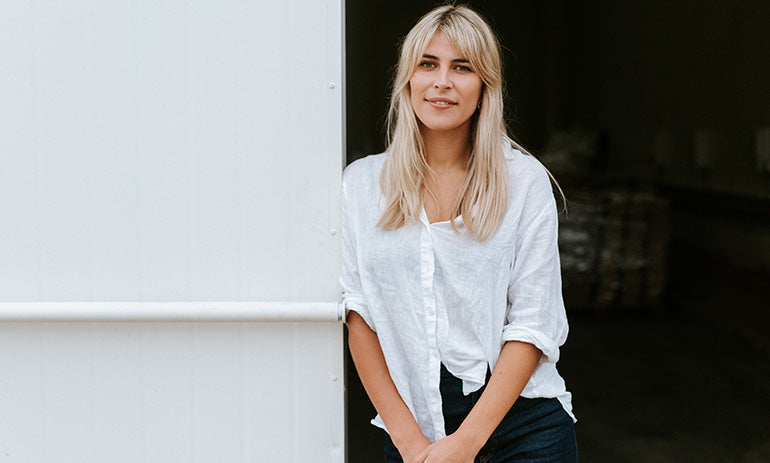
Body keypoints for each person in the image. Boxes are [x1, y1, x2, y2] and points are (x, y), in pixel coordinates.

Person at [341, 4, 578, 463]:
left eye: (462, 67)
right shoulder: (361, 185)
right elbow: (359, 317)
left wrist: (466, 445)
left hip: (524, 430)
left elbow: (533, 322)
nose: (442, 81)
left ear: (485, 84)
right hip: (415, 433)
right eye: (428, 64)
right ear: (407, 77)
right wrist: (410, 445)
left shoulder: (523, 181)